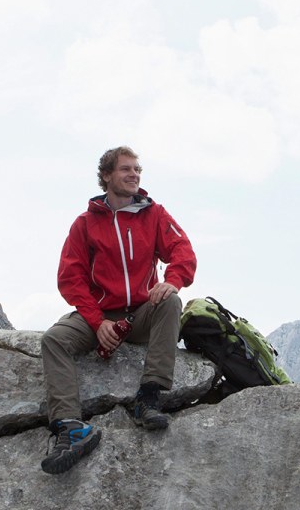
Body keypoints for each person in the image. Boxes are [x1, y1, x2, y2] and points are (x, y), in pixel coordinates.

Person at [39, 146, 197, 475]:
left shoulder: (154, 214)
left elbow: (182, 248)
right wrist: (97, 323)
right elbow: (70, 278)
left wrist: (174, 280)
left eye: (138, 169)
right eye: (126, 169)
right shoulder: (84, 224)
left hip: (140, 313)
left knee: (170, 301)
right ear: (107, 176)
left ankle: (148, 397)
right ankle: (73, 428)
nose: (134, 174)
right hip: (99, 314)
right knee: (54, 339)